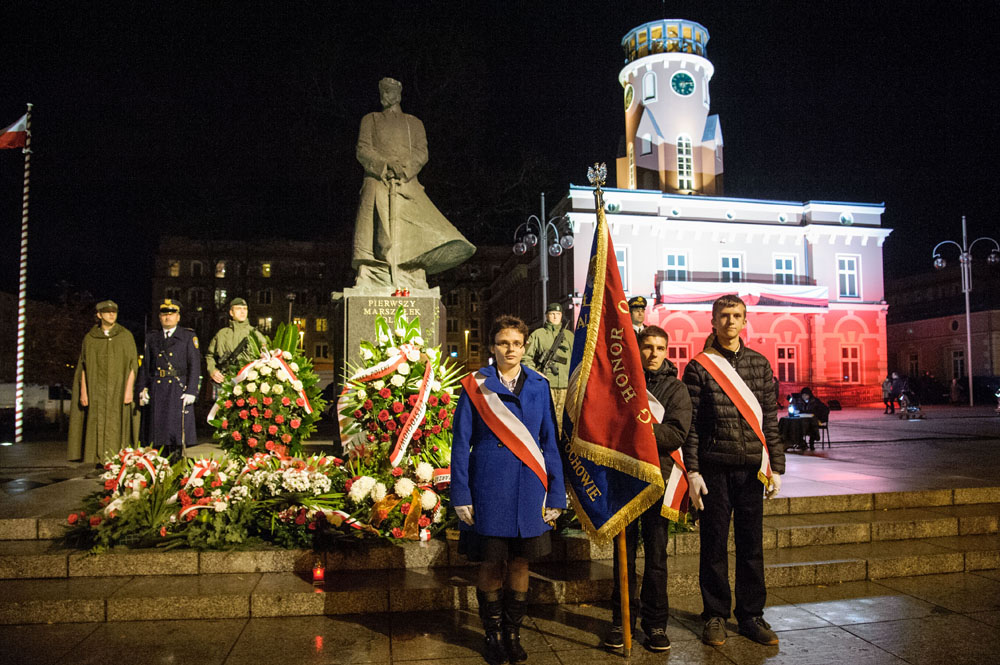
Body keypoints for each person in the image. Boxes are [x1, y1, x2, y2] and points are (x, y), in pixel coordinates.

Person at [451, 315, 567, 665]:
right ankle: (493, 634)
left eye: (517, 343)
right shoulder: (475, 385)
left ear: (525, 346)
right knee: (490, 561)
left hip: (530, 485)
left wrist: (557, 493)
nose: (511, 349)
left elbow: (550, 442)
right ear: (492, 347)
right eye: (504, 343)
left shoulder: (539, 385)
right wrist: (461, 493)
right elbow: (460, 443)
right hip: (488, 486)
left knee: (520, 562)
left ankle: (513, 634)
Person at [682, 294, 785, 647]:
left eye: (737, 316)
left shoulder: (759, 364)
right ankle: (714, 615)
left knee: (751, 544)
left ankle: (751, 615)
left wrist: (777, 466)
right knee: (713, 544)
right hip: (714, 468)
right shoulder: (698, 367)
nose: (730, 321)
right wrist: (692, 470)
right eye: (724, 316)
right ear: (713, 321)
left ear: (745, 321)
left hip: (751, 469)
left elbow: (770, 418)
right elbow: (692, 426)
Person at [604, 325, 692, 652]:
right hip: (625, 478)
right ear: (637, 349)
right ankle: (620, 619)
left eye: (659, 348)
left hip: (658, 480)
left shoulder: (676, 389)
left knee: (656, 557)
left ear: (666, 351)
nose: (652, 354)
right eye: (647, 347)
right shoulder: (624, 385)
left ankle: (656, 624)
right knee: (622, 555)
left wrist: (639, 432)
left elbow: (676, 433)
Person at [352, 77, 475, 290]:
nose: (384, 96)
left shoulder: (414, 123)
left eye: (389, 91)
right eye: (382, 91)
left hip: (406, 182)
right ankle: (373, 269)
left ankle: (410, 267)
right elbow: (363, 150)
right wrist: (385, 165)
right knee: (372, 228)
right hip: (377, 180)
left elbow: (421, 152)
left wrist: (404, 169)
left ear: (398, 95)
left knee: (418, 227)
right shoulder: (369, 120)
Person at [67, 300, 140, 464]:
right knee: (95, 424)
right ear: (99, 315)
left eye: (114, 311)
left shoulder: (125, 336)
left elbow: (133, 366)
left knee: (116, 424)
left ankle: (116, 462)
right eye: (107, 312)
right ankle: (96, 461)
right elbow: (83, 367)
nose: (111, 314)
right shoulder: (90, 338)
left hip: (118, 392)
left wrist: (129, 390)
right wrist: (84, 392)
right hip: (96, 392)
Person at [136, 299, 201, 460]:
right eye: (164, 314)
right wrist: (142, 389)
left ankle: (176, 469)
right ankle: (159, 469)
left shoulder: (188, 337)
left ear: (178, 317)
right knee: (158, 434)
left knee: (176, 434)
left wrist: (192, 390)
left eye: (172, 314)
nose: (167, 318)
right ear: (159, 317)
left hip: (178, 390)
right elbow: (146, 366)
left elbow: (195, 365)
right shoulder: (152, 338)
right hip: (158, 389)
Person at [522, 302, 573, 433]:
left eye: (558, 314)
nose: (555, 317)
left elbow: (577, 358)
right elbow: (525, 358)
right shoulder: (538, 335)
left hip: (566, 385)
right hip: (546, 384)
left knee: (564, 419)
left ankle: (562, 448)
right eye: (552, 314)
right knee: (547, 418)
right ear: (546, 316)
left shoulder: (569, 336)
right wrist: (537, 375)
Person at [205, 298, 267, 385]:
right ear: (231, 312)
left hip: (249, 384)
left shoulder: (255, 334)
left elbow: (266, 357)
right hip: (226, 382)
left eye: (245, 309)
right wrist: (212, 370)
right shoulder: (222, 334)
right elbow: (209, 355)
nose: (242, 312)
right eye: (238, 309)